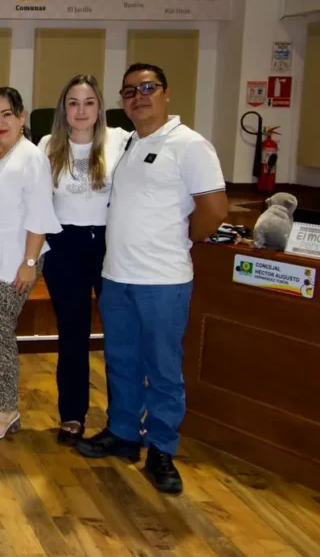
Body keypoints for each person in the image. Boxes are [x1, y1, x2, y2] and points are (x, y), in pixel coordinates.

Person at [76, 63, 227, 495]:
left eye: (147, 88)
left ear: (166, 93)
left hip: (163, 280)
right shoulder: (129, 144)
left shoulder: (189, 144)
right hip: (116, 276)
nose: (138, 97)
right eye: (129, 91)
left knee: (162, 368)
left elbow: (214, 211)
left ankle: (161, 447)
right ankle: (124, 432)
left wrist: (179, 240)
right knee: (121, 361)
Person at [37, 75, 131, 446]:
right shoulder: (48, 145)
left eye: (89, 102)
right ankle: (72, 415)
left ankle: (123, 419)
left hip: (110, 243)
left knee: (119, 335)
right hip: (65, 245)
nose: (81, 111)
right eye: (73, 103)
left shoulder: (120, 140)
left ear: (100, 107)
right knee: (72, 334)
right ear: (63, 109)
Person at [0, 87, 61, 441]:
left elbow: (39, 212)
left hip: (18, 259)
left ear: (21, 117)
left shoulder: (31, 157)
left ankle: (7, 409)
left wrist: (29, 261)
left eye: (7, 114)